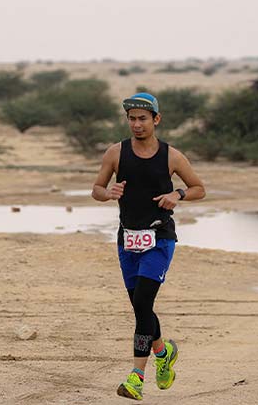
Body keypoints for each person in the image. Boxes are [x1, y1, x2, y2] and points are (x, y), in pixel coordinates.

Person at [92, 92, 205, 400]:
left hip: (159, 239)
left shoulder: (172, 156)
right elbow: (96, 189)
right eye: (132, 119)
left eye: (143, 119)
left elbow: (199, 188)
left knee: (142, 302)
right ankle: (163, 352)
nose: (137, 124)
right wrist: (108, 193)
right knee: (140, 306)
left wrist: (177, 195)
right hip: (127, 239)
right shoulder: (116, 153)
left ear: (156, 119)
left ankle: (137, 377)